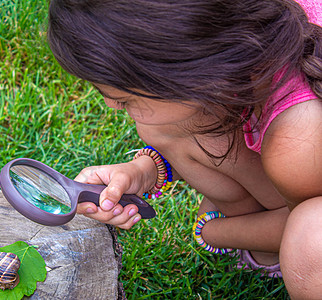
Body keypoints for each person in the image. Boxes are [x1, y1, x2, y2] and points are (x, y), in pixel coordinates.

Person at [47, 0, 322, 298]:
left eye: (124, 98)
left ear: (190, 74)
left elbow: (302, 223)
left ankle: (273, 259)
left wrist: (211, 232)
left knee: (310, 242)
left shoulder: (300, 140)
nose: (110, 104)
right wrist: (143, 170)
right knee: (158, 125)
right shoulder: (241, 36)